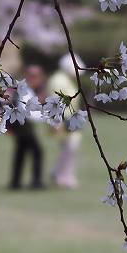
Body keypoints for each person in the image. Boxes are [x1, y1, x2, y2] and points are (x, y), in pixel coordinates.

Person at [48, 54, 83, 189]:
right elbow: (55, 100)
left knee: (69, 147)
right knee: (70, 147)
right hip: (63, 120)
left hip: (71, 119)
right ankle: (64, 176)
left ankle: (58, 173)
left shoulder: (66, 79)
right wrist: (57, 122)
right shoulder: (59, 80)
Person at [8, 65, 46, 190]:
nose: (38, 80)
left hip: (22, 126)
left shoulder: (25, 89)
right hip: (24, 127)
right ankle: (36, 182)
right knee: (37, 151)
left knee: (21, 153)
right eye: (35, 76)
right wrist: (46, 117)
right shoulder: (25, 90)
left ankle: (15, 182)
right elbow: (28, 111)